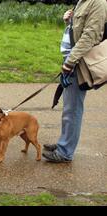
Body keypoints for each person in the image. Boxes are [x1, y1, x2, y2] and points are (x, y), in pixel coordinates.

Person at [43, 0, 107, 163]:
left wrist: (70, 62)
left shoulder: (98, 2)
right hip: (72, 59)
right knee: (69, 108)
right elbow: (79, 29)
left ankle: (65, 152)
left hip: (79, 62)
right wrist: (68, 21)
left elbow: (90, 35)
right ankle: (64, 144)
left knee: (73, 109)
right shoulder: (82, 1)